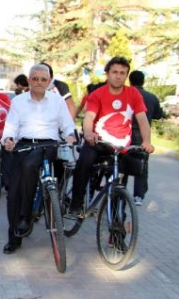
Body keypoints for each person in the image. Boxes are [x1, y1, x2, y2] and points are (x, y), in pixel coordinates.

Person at [0, 64, 76, 254]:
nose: (39, 83)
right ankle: (15, 237)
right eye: (35, 79)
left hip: (48, 145)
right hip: (24, 144)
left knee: (30, 164)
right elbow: (10, 126)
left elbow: (68, 125)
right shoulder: (18, 101)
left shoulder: (57, 101)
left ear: (49, 81)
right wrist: (8, 139)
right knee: (13, 191)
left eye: (43, 79)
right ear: (29, 80)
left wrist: (70, 135)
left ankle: (26, 215)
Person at [70, 57, 155, 216]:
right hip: (98, 141)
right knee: (84, 162)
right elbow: (89, 117)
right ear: (107, 74)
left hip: (121, 146)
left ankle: (117, 230)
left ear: (126, 76)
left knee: (119, 185)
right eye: (114, 72)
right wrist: (88, 133)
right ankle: (76, 202)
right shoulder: (97, 94)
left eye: (122, 73)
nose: (118, 76)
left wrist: (146, 141)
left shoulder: (133, 94)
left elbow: (143, 120)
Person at [126, 70, 163, 205]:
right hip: (143, 136)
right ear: (143, 81)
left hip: (125, 134)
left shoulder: (125, 95)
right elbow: (159, 115)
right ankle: (138, 196)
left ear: (129, 80)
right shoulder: (151, 97)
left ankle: (117, 192)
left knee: (120, 163)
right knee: (142, 165)